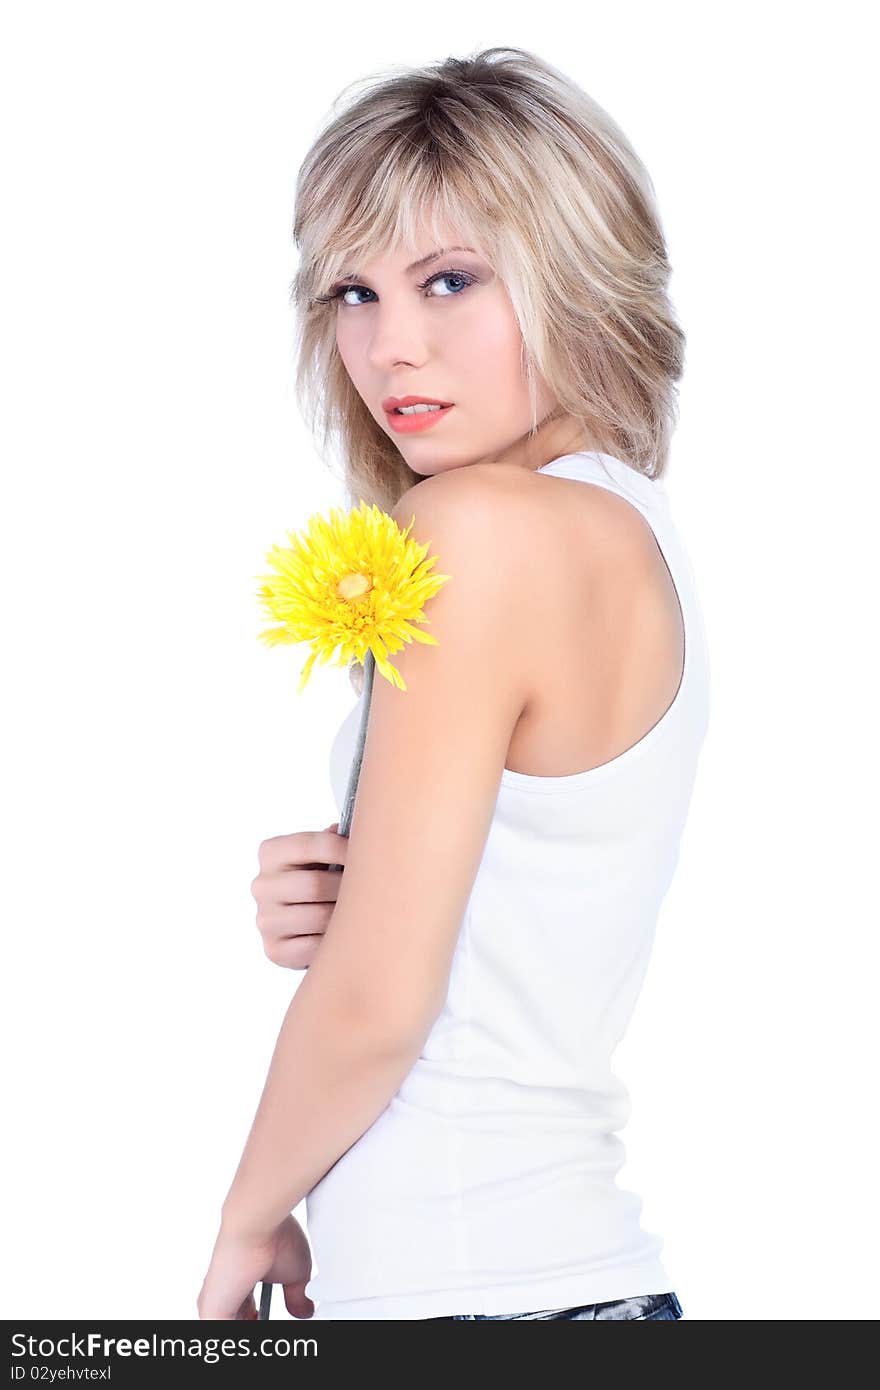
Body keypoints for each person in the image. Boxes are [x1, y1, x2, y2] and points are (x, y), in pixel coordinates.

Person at [198, 46, 710, 1322]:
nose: (392, 348)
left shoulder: (481, 528)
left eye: (450, 280)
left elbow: (379, 1004)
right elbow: (492, 929)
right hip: (531, 1280)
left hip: (485, 1295)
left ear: (574, 272)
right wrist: (347, 888)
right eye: (353, 292)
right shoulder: (612, 528)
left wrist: (246, 1217)